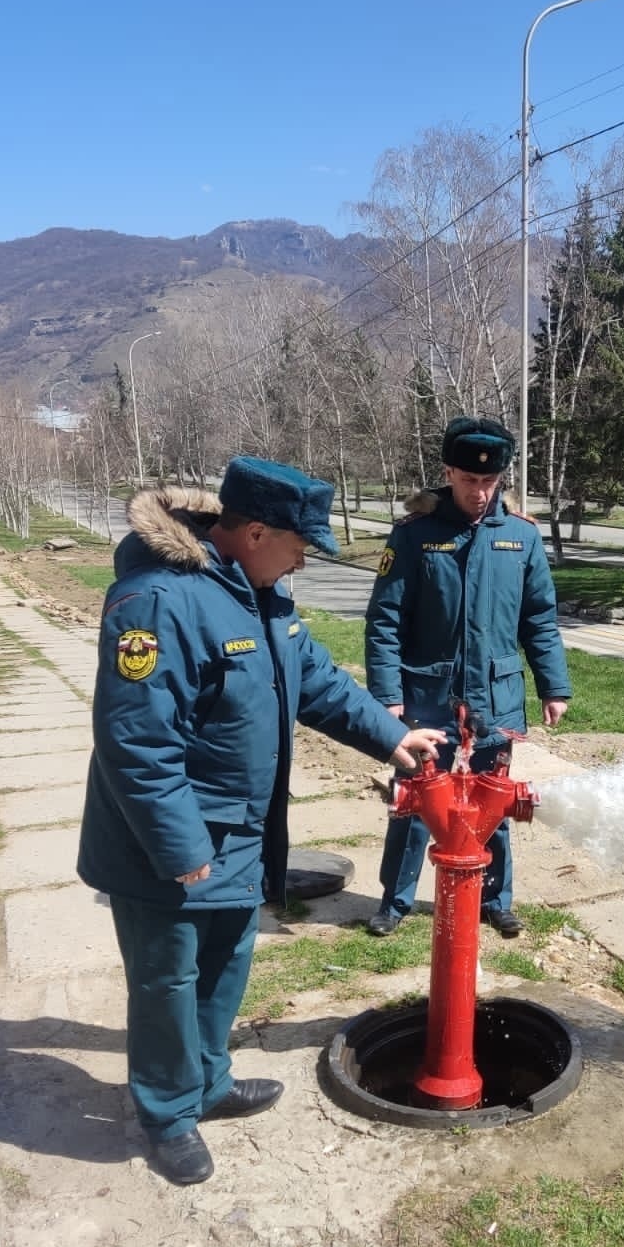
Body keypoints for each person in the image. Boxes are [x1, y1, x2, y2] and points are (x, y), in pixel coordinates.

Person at [78, 456, 445, 1186]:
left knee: (223, 969)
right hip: (168, 848)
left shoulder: (261, 593)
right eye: (299, 543)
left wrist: (389, 735)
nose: (306, 558)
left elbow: (315, 680)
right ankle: (167, 1114)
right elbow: (136, 742)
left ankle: (207, 1085)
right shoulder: (158, 601)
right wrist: (179, 846)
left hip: (241, 837)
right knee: (167, 985)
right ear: (252, 532)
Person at [364, 415, 572, 941]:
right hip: (426, 695)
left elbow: (539, 617)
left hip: (495, 698)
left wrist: (554, 685)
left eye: (489, 482)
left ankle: (496, 900)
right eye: (468, 480)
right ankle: (395, 900)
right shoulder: (415, 536)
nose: (479, 493)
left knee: (494, 802)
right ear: (448, 473)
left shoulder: (520, 537)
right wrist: (387, 695)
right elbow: (385, 619)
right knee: (414, 801)